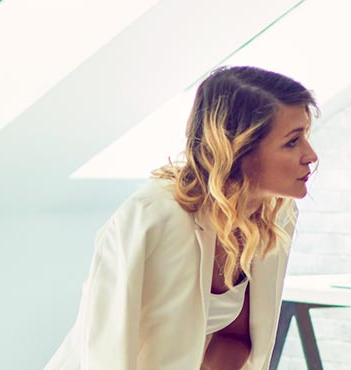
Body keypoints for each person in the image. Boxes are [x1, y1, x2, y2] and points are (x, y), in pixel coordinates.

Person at [44, 66, 319, 370]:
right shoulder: (151, 218)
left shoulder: (275, 214)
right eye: (292, 141)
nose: (311, 155)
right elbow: (106, 352)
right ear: (239, 148)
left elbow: (236, 337)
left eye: (305, 136)